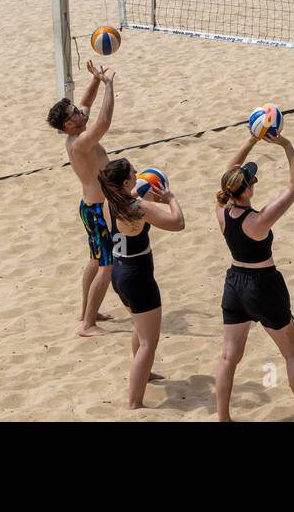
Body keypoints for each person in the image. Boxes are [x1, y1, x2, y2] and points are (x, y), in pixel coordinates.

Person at [214, 132, 294, 421]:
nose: (254, 182)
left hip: (234, 284)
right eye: (252, 180)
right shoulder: (259, 221)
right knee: (292, 354)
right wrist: (287, 144)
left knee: (228, 357)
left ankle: (223, 417)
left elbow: (226, 177)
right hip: (263, 287)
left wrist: (249, 142)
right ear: (246, 191)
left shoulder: (221, 212)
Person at [97, 158, 185, 409]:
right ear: (124, 182)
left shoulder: (109, 202)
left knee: (140, 327)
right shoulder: (138, 209)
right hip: (138, 278)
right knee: (149, 342)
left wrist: (143, 189)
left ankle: (144, 374)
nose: (137, 173)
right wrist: (171, 200)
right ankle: (135, 402)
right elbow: (178, 223)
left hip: (120, 274)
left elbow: (131, 199)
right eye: (133, 173)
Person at [46, 62, 117, 336]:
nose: (80, 111)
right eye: (74, 112)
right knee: (106, 266)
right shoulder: (80, 141)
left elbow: (86, 103)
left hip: (91, 207)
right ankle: (88, 325)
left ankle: (88, 310)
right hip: (99, 210)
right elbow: (104, 122)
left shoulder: (76, 127)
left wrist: (96, 81)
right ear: (68, 124)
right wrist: (110, 85)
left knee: (94, 259)